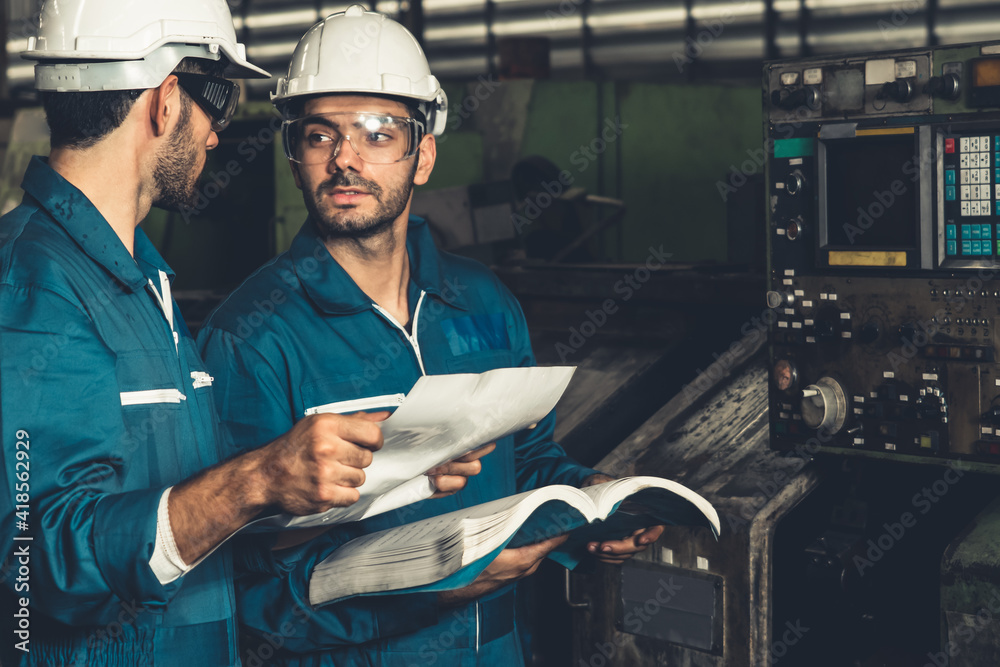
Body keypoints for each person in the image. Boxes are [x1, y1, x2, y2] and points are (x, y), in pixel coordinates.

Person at [0, 2, 482, 664]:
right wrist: (255, 478)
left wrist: (398, 475)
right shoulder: (30, 284)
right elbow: (29, 561)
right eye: (215, 103)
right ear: (167, 101)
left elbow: (186, 506)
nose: (216, 136)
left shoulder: (138, 280)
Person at [197, 7, 665, 666]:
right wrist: (430, 594)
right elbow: (241, 589)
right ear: (294, 156)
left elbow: (526, 465)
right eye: (319, 134)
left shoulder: (484, 302)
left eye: (379, 133)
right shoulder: (252, 336)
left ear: (423, 155)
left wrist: (592, 504)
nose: (346, 160)